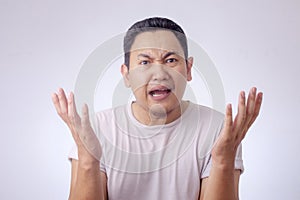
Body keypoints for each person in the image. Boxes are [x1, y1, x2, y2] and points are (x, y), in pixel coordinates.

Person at [52, 17, 263, 200]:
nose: (159, 73)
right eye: (145, 62)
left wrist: (223, 162)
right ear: (126, 75)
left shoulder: (218, 129)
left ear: (188, 70)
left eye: (171, 60)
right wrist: (89, 161)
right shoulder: (99, 129)